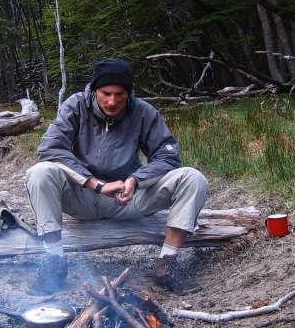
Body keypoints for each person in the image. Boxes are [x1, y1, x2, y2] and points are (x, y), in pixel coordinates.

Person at [25, 58, 208, 294]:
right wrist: (96, 184)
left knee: (192, 177)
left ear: (129, 93)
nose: (112, 101)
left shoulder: (143, 111)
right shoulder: (76, 106)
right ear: (94, 90)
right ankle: (54, 263)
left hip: (129, 198)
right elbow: (51, 150)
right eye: (106, 93)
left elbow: (168, 156)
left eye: (119, 94)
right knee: (40, 172)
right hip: (84, 197)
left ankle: (167, 265)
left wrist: (135, 180)